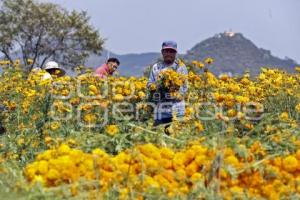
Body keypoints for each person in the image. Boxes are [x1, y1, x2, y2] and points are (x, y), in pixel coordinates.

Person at [147, 40, 188, 127]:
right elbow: (149, 84)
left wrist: (173, 91)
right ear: (162, 52)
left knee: (177, 137)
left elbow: (185, 88)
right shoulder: (156, 67)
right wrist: (156, 87)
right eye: (166, 51)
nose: (169, 53)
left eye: (171, 51)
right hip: (160, 112)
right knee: (158, 137)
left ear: (175, 53)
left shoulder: (181, 67)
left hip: (177, 110)